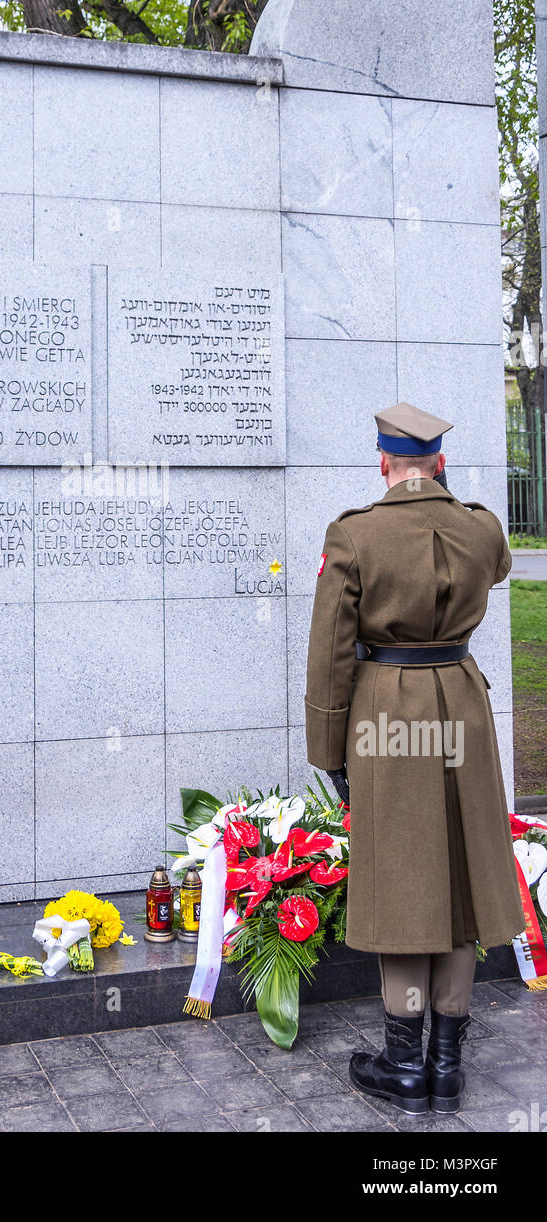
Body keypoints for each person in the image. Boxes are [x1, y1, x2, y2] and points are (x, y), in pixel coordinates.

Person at [304, 401, 525, 1116]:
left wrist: (329, 750)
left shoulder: (355, 533)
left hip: (387, 715)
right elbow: (495, 566)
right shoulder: (482, 526)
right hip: (460, 701)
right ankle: (445, 1063)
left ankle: (403, 1065)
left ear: (382, 461)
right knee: (460, 878)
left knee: (403, 880)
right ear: (438, 462)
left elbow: (332, 651)